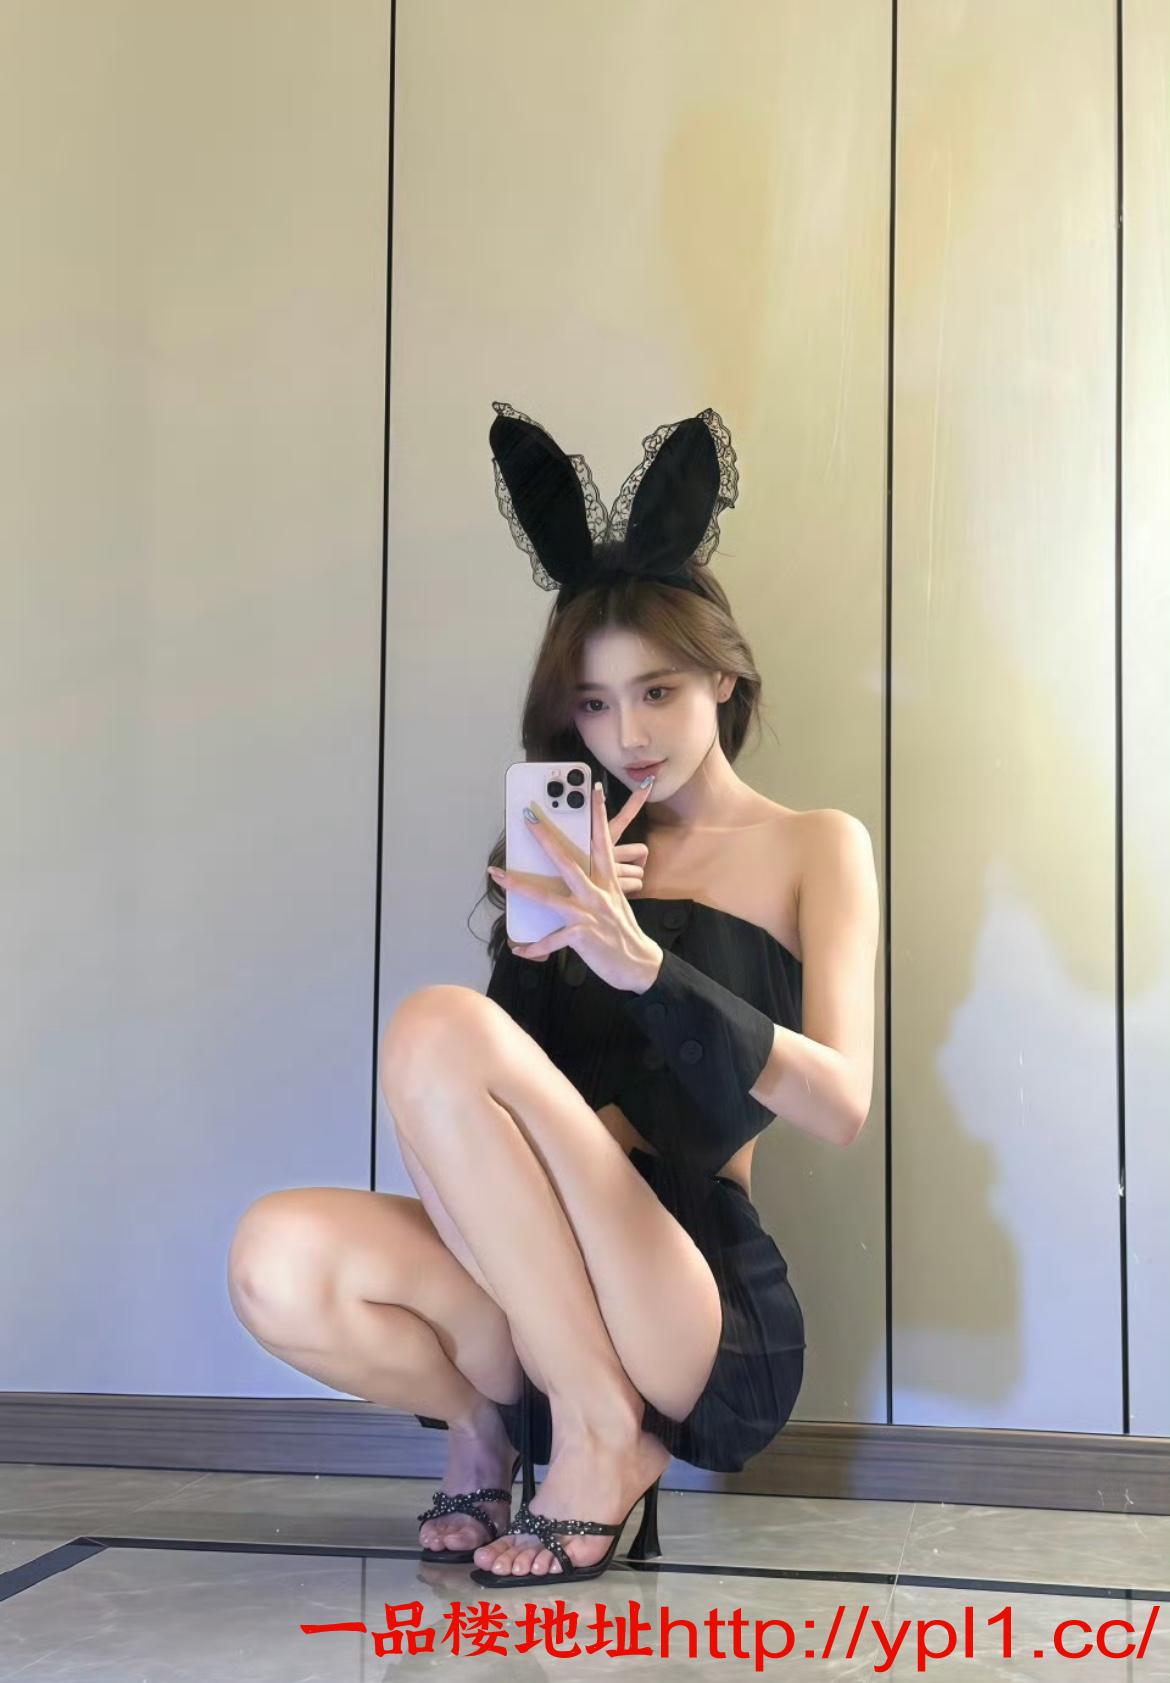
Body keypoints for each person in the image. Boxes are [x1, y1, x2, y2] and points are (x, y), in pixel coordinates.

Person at [226, 402, 879, 1591]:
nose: (626, 734)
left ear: (724, 676)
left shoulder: (815, 846)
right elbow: (479, 1102)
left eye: (657, 692)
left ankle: (601, 1434)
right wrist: (544, 948)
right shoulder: (567, 850)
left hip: (686, 1291)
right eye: (592, 702)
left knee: (437, 1023)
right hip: (530, 1286)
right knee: (276, 1253)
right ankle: (488, 1433)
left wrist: (646, 966)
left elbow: (840, 1106)